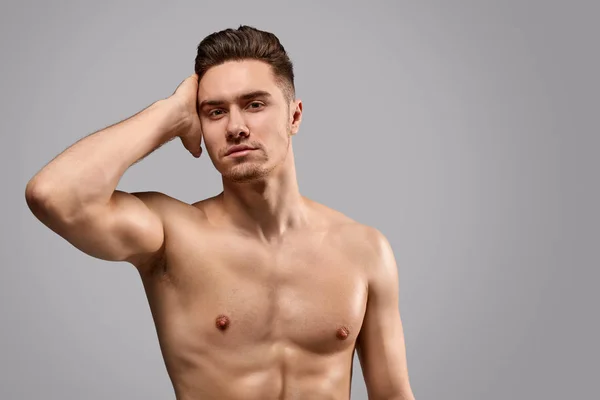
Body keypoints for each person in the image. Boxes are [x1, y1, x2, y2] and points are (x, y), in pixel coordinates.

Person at [25, 25, 416, 400]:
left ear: (294, 116)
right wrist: (169, 113)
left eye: (255, 105)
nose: (236, 127)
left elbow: (393, 395)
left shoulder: (364, 250)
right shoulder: (171, 237)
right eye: (214, 112)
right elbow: (54, 195)